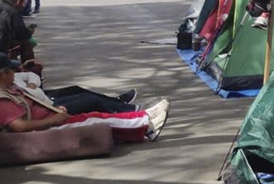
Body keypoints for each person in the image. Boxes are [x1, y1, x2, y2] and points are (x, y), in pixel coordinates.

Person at [0, 56, 170, 143]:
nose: (15, 74)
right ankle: (146, 122)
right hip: (46, 126)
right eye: (11, 71)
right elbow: (19, 126)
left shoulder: (9, 88)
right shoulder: (2, 99)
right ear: (4, 74)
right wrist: (55, 118)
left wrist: (55, 111)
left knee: (94, 116)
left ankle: (142, 122)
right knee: (94, 119)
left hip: (51, 115)